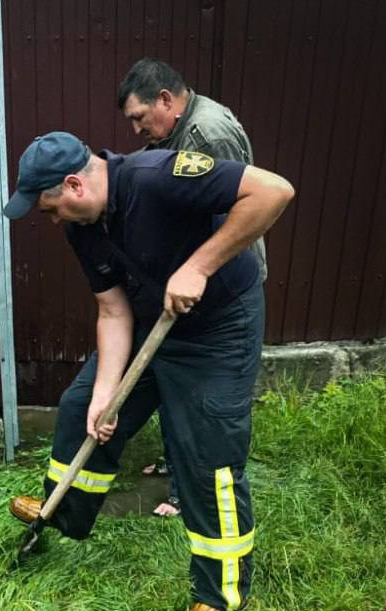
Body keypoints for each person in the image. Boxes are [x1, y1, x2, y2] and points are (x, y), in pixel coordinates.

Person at [4, 132, 293, 611]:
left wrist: (199, 266)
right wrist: (105, 397)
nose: (51, 220)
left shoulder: (156, 177)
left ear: (74, 184)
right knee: (80, 410)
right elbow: (112, 309)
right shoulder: (82, 227)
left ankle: (219, 592)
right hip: (144, 323)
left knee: (206, 455)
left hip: (215, 330)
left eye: (50, 208)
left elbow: (274, 191)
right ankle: (63, 513)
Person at [118, 58, 268, 518]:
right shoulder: (183, 129)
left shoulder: (207, 134)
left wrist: (195, 272)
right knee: (170, 376)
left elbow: (226, 212)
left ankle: (188, 493)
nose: (138, 131)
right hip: (191, 282)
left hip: (216, 284)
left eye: (140, 118)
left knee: (198, 396)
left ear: (166, 100)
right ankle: (173, 462)